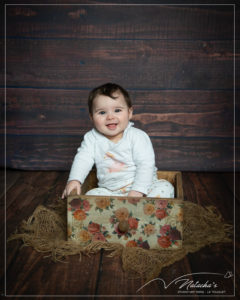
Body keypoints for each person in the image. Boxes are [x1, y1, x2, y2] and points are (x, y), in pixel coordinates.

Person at [62, 83, 174, 199]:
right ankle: (121, 214)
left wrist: (138, 191)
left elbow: (145, 165)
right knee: (91, 196)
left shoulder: (137, 136)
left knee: (165, 187)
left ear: (129, 113)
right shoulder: (91, 138)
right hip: (111, 192)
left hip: (144, 188)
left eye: (117, 110)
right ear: (91, 117)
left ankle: (142, 212)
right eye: (102, 112)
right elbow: (83, 159)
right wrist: (75, 179)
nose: (110, 117)